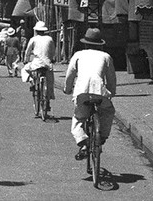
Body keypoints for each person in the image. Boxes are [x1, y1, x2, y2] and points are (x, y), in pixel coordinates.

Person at [63, 28, 116, 160]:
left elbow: (70, 75)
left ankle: (84, 143)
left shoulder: (78, 55)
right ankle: (101, 136)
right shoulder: (106, 56)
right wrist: (111, 93)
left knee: (79, 118)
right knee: (108, 112)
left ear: (85, 43)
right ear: (100, 44)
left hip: (82, 92)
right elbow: (111, 79)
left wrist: (67, 89)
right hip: (100, 92)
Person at [22, 22, 56, 112]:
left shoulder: (33, 39)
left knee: (25, 69)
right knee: (50, 81)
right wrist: (52, 58)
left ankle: (32, 83)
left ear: (36, 30)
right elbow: (52, 51)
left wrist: (26, 59)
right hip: (47, 64)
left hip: (36, 63)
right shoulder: (50, 39)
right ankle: (48, 99)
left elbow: (28, 51)